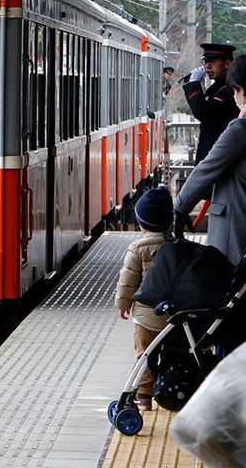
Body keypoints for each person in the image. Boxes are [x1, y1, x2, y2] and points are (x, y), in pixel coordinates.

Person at [174, 55, 246, 266]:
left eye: (235, 90)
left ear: (241, 89)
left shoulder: (240, 130)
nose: (235, 96)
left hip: (235, 230)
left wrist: (180, 207)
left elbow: (207, 168)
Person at [115, 186, 173, 411]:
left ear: (141, 223)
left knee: (144, 356)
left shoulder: (137, 248)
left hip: (146, 318)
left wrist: (122, 305)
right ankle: (169, 390)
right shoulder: (176, 246)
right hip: (173, 317)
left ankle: (144, 397)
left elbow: (127, 281)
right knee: (170, 353)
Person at [181, 42, 239, 164]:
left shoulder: (227, 90)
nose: (208, 66)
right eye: (206, 62)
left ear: (228, 64)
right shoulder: (219, 87)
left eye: (212, 62)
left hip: (219, 155)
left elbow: (202, 111)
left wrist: (194, 84)